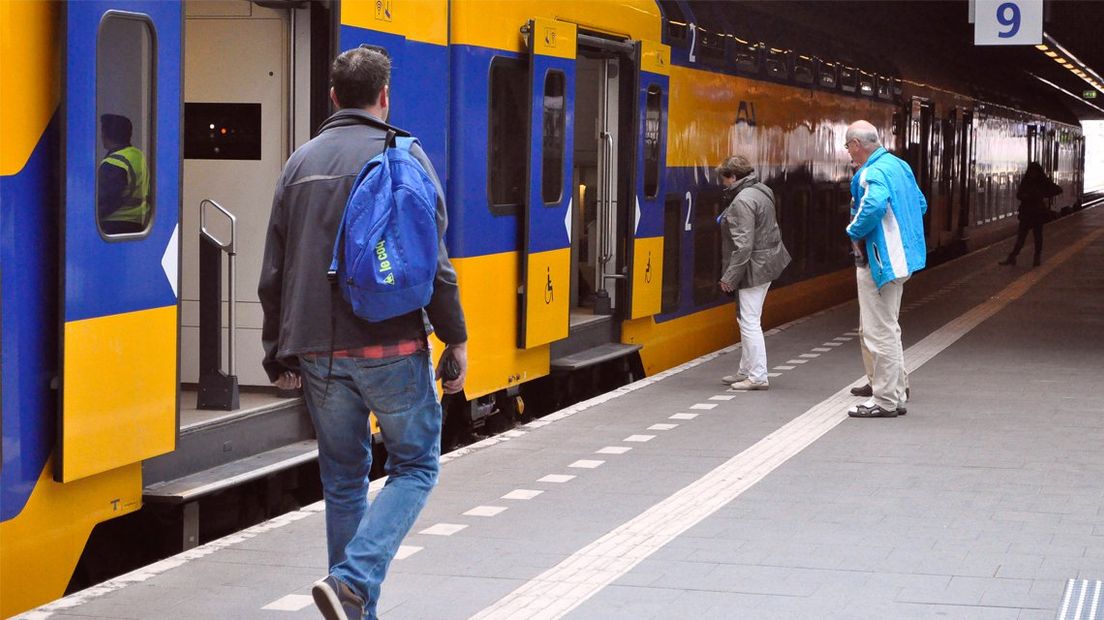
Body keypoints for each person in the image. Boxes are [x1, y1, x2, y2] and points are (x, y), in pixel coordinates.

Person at [258, 47, 467, 620]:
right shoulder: (405, 154)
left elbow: (273, 268)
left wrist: (277, 352)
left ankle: (353, 606)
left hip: (320, 353)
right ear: (384, 98)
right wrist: (456, 338)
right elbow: (435, 261)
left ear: (332, 97)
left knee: (345, 481)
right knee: (417, 465)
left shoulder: (299, 163)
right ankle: (352, 581)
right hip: (392, 345)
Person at [843, 120, 926, 418]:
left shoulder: (871, 172)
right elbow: (921, 203)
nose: (849, 154)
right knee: (883, 327)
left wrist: (854, 231)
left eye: (848, 147)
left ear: (856, 145)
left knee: (880, 332)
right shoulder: (899, 166)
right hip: (902, 258)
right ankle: (893, 386)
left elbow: (874, 205)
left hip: (881, 262)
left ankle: (886, 400)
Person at [715, 155, 791, 391]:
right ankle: (745, 370)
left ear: (734, 177)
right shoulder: (762, 190)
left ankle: (757, 376)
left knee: (749, 321)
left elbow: (744, 245)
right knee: (746, 318)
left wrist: (729, 277)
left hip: (753, 268)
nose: (723, 184)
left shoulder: (742, 201)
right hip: (767, 262)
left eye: (725, 179)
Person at [999, 162, 1062, 267]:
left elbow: (1058, 189)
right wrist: (1028, 196)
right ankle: (1013, 256)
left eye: (1034, 172)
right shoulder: (1027, 181)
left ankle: (1034, 258)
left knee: (1036, 237)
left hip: (1036, 213)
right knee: (1022, 237)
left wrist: (1042, 194)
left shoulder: (1041, 182)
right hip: (1027, 213)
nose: (1033, 174)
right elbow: (1019, 195)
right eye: (1031, 171)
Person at [97, 114, 149, 235]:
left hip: (115, 225)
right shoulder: (137, 155)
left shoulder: (114, 163)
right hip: (138, 223)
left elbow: (106, 200)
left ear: (105, 135)